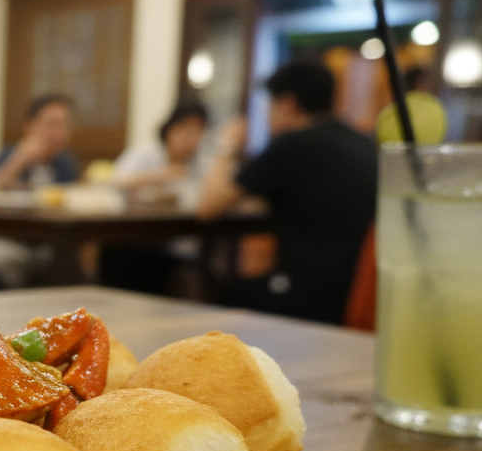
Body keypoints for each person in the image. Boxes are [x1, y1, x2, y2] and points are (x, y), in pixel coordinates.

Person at [198, 61, 377, 324]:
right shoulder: (364, 143)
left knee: (226, 295)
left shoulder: (293, 143)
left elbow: (207, 207)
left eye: (269, 106)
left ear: (287, 104)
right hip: (361, 297)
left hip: (311, 300)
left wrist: (227, 144)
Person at [101, 99, 210, 294]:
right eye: (185, 129)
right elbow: (117, 180)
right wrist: (161, 175)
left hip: (181, 240)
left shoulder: (200, 164)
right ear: (170, 128)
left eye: (197, 131)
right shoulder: (149, 153)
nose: (191, 138)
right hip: (139, 236)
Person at [0, 94, 81, 189]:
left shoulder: (64, 161)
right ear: (28, 126)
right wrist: (20, 159)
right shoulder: (8, 155)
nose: (59, 133)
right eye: (52, 124)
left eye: (64, 125)